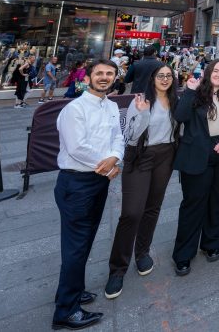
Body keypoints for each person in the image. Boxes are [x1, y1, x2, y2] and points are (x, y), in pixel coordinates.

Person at [52, 60, 124, 330]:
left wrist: (116, 157)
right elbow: (76, 147)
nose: (104, 78)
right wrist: (107, 166)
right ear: (89, 77)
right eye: (100, 74)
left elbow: (118, 136)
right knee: (75, 246)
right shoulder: (75, 109)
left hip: (99, 181)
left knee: (84, 242)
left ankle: (70, 291)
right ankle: (66, 312)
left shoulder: (112, 106)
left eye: (109, 74)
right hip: (76, 182)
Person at [104, 64, 178, 298]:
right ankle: (117, 269)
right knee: (131, 213)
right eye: (160, 76)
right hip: (140, 156)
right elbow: (130, 137)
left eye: (168, 76)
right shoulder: (140, 100)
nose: (165, 79)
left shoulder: (177, 100)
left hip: (166, 156)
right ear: (152, 78)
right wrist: (143, 112)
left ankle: (142, 252)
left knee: (152, 208)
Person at [171, 59, 219, 274]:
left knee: (217, 202)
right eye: (215, 70)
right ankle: (183, 253)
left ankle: (211, 243)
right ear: (208, 72)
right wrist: (190, 92)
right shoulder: (194, 94)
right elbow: (180, 116)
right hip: (197, 155)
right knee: (193, 205)